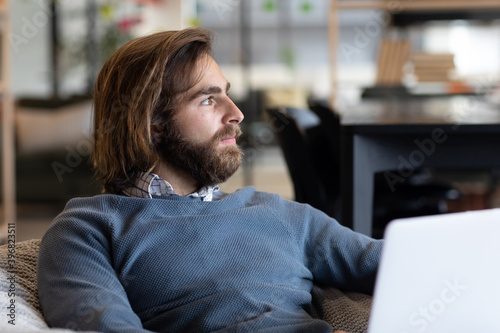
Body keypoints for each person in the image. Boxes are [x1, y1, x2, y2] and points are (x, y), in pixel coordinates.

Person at [37, 27, 382, 333]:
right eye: (208, 99)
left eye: (227, 94)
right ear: (152, 122)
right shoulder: (87, 229)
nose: (236, 114)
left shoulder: (282, 214)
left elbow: (392, 262)